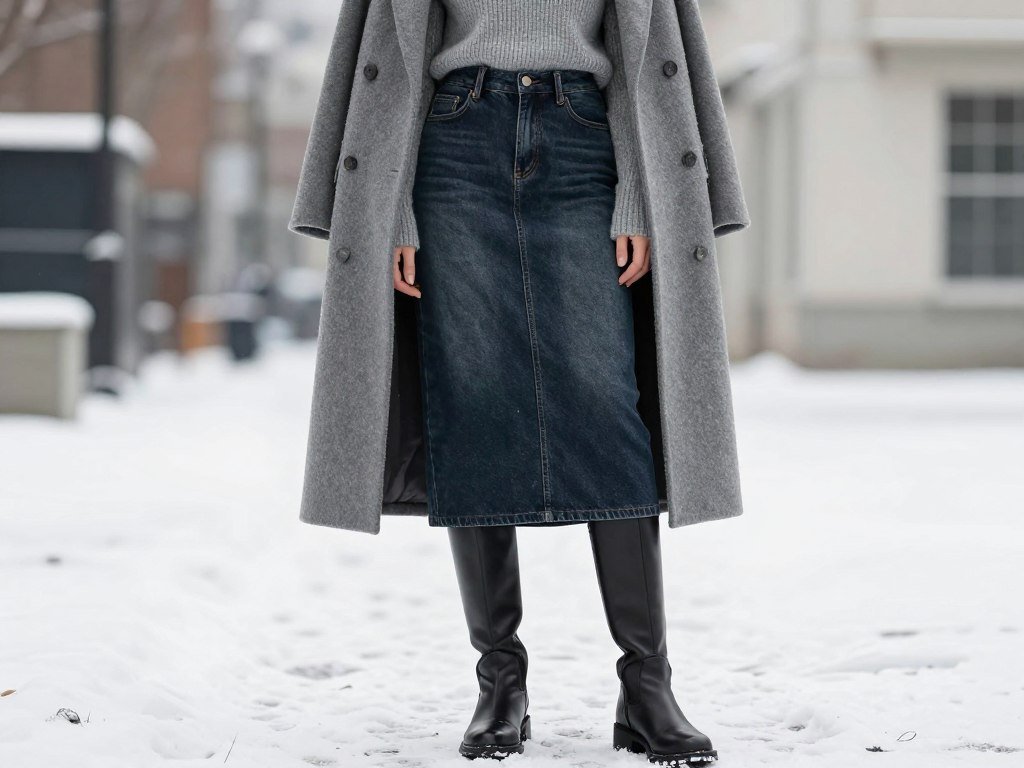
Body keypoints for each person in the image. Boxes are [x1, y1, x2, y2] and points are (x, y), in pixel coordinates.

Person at [290, 0, 749, 763]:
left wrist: (640, 189)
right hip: (454, 138)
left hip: (582, 136)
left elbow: (643, 43)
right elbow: (391, 49)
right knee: (472, 401)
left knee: (609, 405)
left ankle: (647, 683)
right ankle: (500, 680)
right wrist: (391, 210)